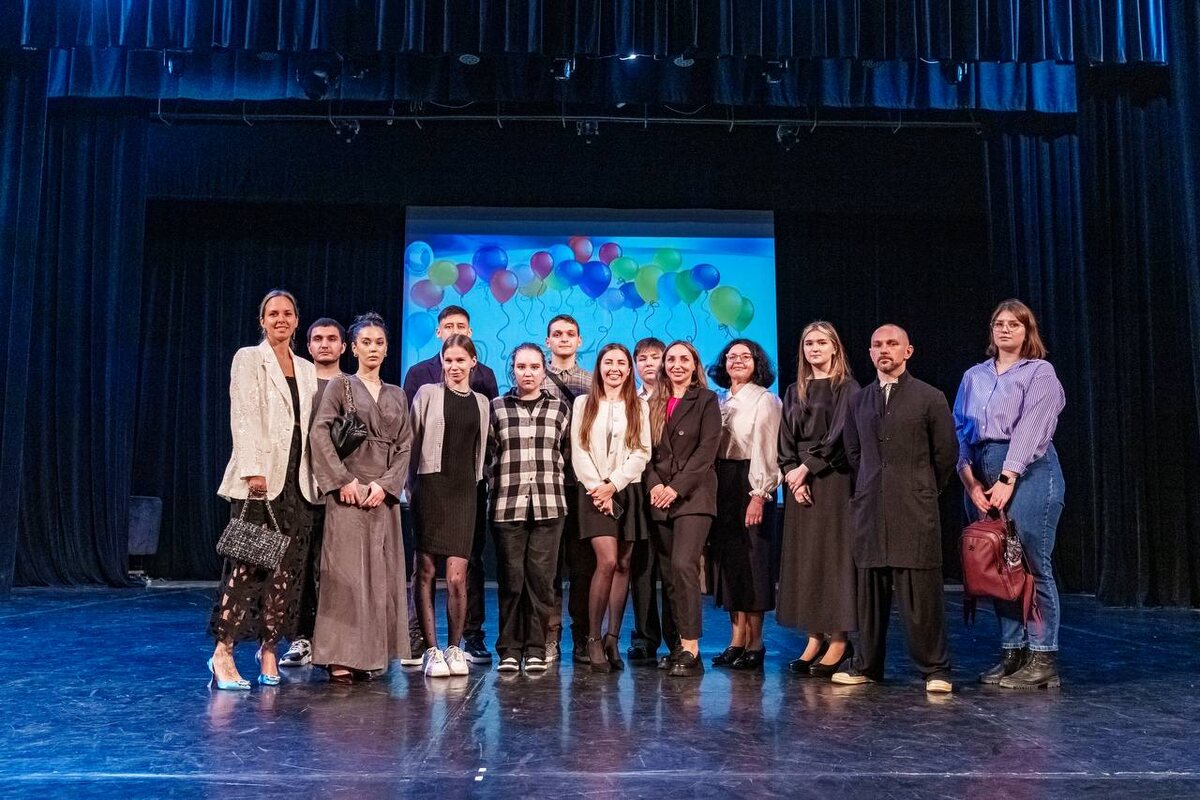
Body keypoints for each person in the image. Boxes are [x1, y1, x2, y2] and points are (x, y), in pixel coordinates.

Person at [832, 324, 958, 694]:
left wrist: (922, 488)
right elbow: (853, 452)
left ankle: (935, 669)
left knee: (921, 594)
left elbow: (945, 454)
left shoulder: (929, 397)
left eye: (892, 344)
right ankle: (867, 665)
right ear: (870, 353)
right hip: (871, 506)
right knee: (870, 593)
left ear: (908, 351)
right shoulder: (859, 400)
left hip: (913, 506)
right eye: (877, 345)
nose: (884, 350)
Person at [954, 299, 1066, 690]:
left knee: (1032, 562)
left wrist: (1008, 476)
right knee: (998, 565)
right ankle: (1013, 653)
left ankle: (1043, 656)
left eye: (1014, 324)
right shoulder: (974, 376)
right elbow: (959, 429)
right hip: (981, 470)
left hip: (1028, 469)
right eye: (998, 323)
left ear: (1027, 331)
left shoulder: (1039, 372)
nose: (1005, 329)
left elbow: (1033, 425)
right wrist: (970, 481)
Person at [210, 289, 318, 690]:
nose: (280, 319)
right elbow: (243, 416)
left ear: (296, 320)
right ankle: (223, 652)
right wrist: (254, 470)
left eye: (287, 313)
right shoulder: (249, 359)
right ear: (262, 320)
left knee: (286, 573)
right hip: (261, 481)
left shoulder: (306, 369)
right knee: (247, 568)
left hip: (297, 482)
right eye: (273, 314)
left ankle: (269, 648)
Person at [309, 312, 413, 683]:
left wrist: (385, 486)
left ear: (386, 349)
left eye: (379, 343)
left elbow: (405, 446)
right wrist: (343, 481)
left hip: (381, 495)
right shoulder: (341, 386)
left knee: (381, 574)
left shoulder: (397, 394)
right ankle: (341, 655)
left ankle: (371, 655)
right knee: (346, 575)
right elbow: (320, 434)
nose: (372, 348)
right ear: (353, 348)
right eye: (365, 342)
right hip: (348, 493)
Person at [401, 305, 498, 666]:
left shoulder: (483, 402)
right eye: (449, 360)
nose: (454, 366)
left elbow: (484, 450)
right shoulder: (426, 392)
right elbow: (411, 443)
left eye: (461, 360)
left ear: (473, 362)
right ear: (441, 361)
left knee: (458, 575)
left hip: (464, 493)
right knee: (426, 571)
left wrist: (480, 482)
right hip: (430, 489)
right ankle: (430, 649)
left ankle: (455, 647)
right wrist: (410, 486)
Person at [776, 321, 860, 678]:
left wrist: (806, 469)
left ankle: (839, 639)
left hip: (832, 479)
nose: (814, 349)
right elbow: (785, 440)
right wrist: (792, 476)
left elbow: (841, 436)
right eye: (809, 343)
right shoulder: (794, 389)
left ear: (834, 347)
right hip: (799, 483)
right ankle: (814, 638)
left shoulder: (847, 387)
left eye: (821, 342)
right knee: (806, 560)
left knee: (833, 559)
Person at [488, 344, 571, 673]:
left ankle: (536, 647)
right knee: (511, 580)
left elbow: (566, 455)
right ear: (513, 369)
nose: (528, 373)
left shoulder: (560, 409)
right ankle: (509, 649)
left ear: (543, 370)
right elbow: (488, 456)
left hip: (549, 505)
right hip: (507, 504)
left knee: (541, 580)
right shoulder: (497, 407)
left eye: (535, 367)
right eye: (521, 366)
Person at [570, 344, 652, 672]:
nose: (614, 368)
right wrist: (599, 488)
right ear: (599, 367)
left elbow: (642, 452)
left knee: (623, 564)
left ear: (629, 370)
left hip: (626, 491)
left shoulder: (639, 406)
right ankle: (592, 638)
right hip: (592, 493)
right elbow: (578, 450)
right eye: (608, 362)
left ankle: (612, 638)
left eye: (621, 362)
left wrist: (613, 485)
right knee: (606, 561)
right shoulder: (583, 403)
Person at [646, 341, 722, 678]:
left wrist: (675, 488)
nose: (677, 364)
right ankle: (676, 644)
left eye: (684, 359)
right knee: (669, 573)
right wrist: (654, 485)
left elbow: (706, 452)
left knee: (683, 565)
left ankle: (692, 647)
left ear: (694, 365)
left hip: (693, 496)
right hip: (659, 496)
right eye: (671, 359)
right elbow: (642, 451)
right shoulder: (652, 403)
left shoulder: (706, 400)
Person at [706, 339, 782, 671]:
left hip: (751, 481)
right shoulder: (720, 400)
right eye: (731, 356)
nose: (737, 360)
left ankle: (755, 642)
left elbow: (768, 449)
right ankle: (736, 640)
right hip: (723, 483)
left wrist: (759, 494)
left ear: (757, 363)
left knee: (754, 562)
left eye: (745, 356)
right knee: (730, 562)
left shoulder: (765, 400)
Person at [281, 317, 346, 669]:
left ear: (344, 347)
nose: (324, 344)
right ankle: (302, 636)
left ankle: (336, 640)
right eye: (317, 338)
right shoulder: (299, 385)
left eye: (331, 338)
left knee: (335, 567)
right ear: (307, 346)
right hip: (300, 486)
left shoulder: (350, 387)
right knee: (301, 564)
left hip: (339, 489)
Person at [540, 314, 595, 664]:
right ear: (548, 341)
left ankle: (582, 636)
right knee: (548, 567)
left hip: (582, 486)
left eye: (570, 334)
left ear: (579, 341)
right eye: (557, 334)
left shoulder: (591, 382)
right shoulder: (534, 375)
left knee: (582, 566)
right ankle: (550, 635)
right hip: (547, 483)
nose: (563, 339)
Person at [627, 337, 676, 665]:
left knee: (672, 569)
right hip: (639, 493)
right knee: (641, 569)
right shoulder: (629, 401)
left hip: (673, 494)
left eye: (655, 357)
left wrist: (668, 486)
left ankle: (676, 638)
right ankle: (645, 638)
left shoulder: (677, 399)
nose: (648, 364)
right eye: (642, 358)